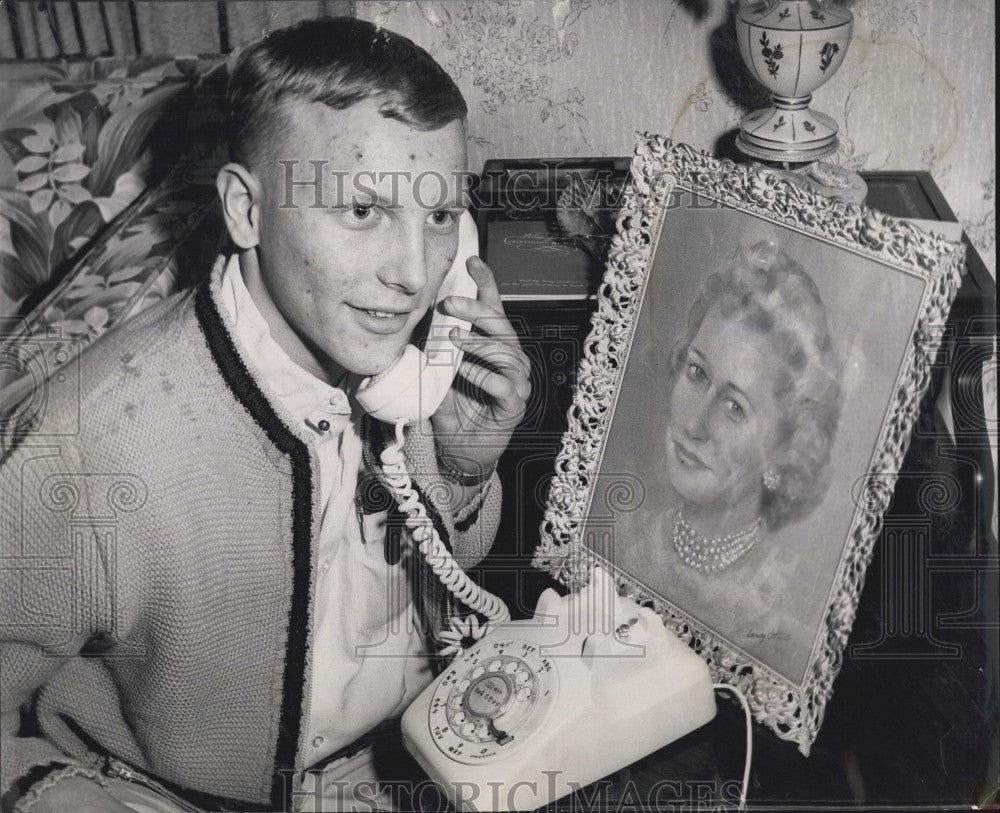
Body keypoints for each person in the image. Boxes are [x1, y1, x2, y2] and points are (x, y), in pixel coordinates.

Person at [1, 17, 530, 813]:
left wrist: (460, 469)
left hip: (409, 753)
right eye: (361, 211)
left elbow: (440, 580)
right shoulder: (90, 445)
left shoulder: (405, 361)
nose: (414, 273)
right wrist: (53, 793)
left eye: (440, 214)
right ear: (247, 211)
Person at [661, 240, 842, 575]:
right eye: (697, 373)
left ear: (785, 447)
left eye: (735, 407)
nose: (694, 425)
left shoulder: (770, 612)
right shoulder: (627, 539)